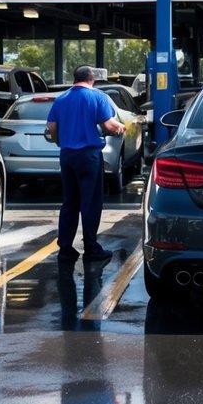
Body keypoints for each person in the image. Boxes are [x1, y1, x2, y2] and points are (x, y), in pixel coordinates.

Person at [46, 66, 126, 265]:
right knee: (90, 202)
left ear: (75, 78)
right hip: (89, 156)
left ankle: (65, 249)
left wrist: (59, 141)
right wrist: (119, 129)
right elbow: (107, 125)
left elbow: (52, 127)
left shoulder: (61, 99)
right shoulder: (98, 97)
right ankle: (91, 248)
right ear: (92, 79)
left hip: (67, 156)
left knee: (70, 201)